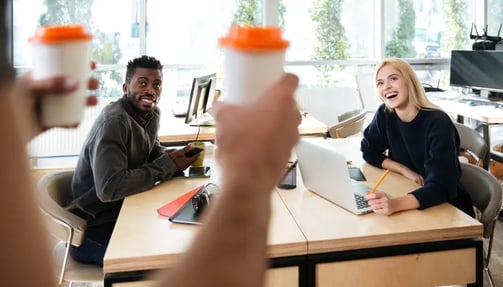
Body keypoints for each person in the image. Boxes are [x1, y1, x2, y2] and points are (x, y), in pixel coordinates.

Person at [69, 55, 201, 265]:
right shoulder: (115, 122)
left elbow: (149, 148)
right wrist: (167, 165)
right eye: (142, 83)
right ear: (125, 87)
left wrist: (170, 156)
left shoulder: (152, 114)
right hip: (92, 230)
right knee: (166, 259)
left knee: (180, 240)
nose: (150, 90)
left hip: (123, 212)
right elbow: (109, 189)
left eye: (156, 84)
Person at [361, 58, 474, 217]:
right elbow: (369, 151)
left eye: (393, 78)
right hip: (410, 191)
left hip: (447, 207)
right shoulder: (386, 113)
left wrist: (395, 204)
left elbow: (441, 187)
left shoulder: (438, 123)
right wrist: (403, 170)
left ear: (410, 81)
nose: (386, 86)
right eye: (380, 83)